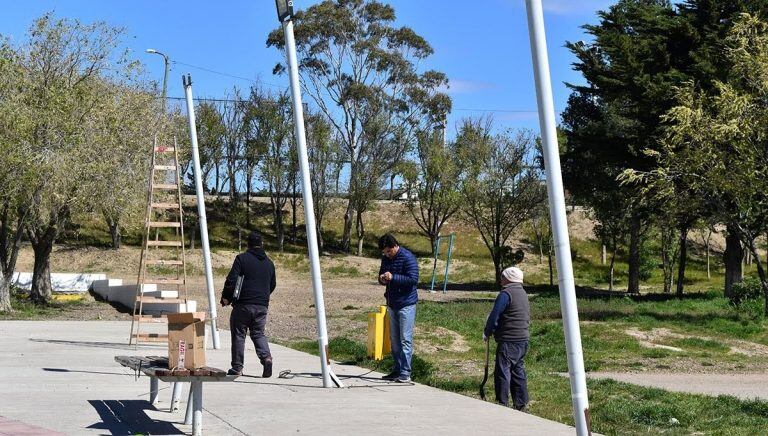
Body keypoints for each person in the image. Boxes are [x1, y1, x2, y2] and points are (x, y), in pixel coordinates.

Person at [221, 231, 276, 377]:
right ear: (262, 244)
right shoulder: (269, 263)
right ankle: (266, 358)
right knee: (258, 333)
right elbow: (272, 284)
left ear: (248, 244)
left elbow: (232, 280)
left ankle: (237, 367)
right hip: (261, 305)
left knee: (239, 334)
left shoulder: (242, 259)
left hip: (243, 305)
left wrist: (226, 298)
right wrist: (262, 298)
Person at [483, 266, 530, 410]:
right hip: (523, 339)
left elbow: (495, 314)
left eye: (503, 277)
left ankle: (502, 403)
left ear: (508, 279)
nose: (501, 280)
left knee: (503, 371)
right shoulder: (522, 293)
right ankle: (521, 403)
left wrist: (487, 331)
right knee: (518, 370)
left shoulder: (506, 293)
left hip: (509, 339)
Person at [377, 233, 419, 383]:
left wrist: (393, 277)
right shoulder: (385, 259)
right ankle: (397, 369)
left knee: (405, 339)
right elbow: (382, 275)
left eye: (388, 251)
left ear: (395, 246)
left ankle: (405, 372)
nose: (387, 254)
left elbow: (413, 279)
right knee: (394, 340)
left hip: (406, 304)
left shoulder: (408, 257)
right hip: (392, 303)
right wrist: (382, 279)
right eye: (384, 252)